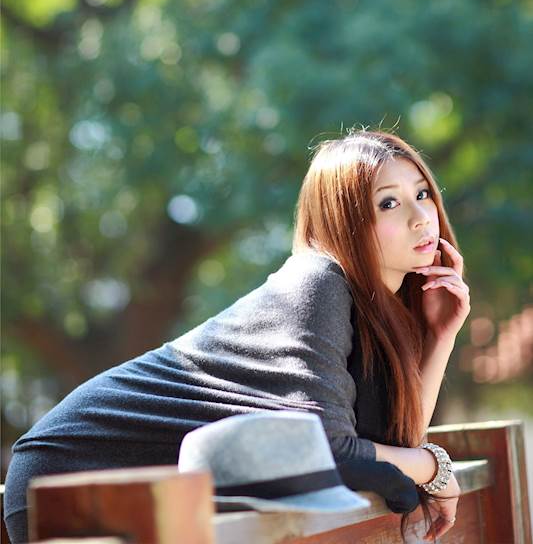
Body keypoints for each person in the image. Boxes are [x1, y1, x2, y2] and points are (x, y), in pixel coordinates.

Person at [3, 128, 470, 543]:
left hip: (166, 488)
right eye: (388, 202)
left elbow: (394, 443)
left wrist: (440, 335)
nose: (420, 217)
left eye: (422, 194)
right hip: (74, 472)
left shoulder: (374, 315)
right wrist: (434, 466)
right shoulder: (318, 281)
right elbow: (331, 452)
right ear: (344, 220)